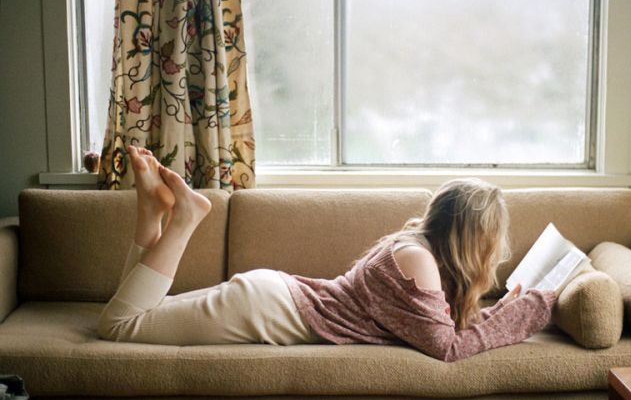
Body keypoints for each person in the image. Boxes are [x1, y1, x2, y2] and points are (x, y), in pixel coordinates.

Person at [97, 146, 557, 362]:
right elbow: (447, 348)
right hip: (267, 310)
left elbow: (436, 325)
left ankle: (151, 214)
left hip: (271, 300)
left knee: (132, 315)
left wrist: (499, 310)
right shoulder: (417, 261)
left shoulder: (418, 249)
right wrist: (531, 310)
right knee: (119, 328)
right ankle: (182, 219)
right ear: (471, 237)